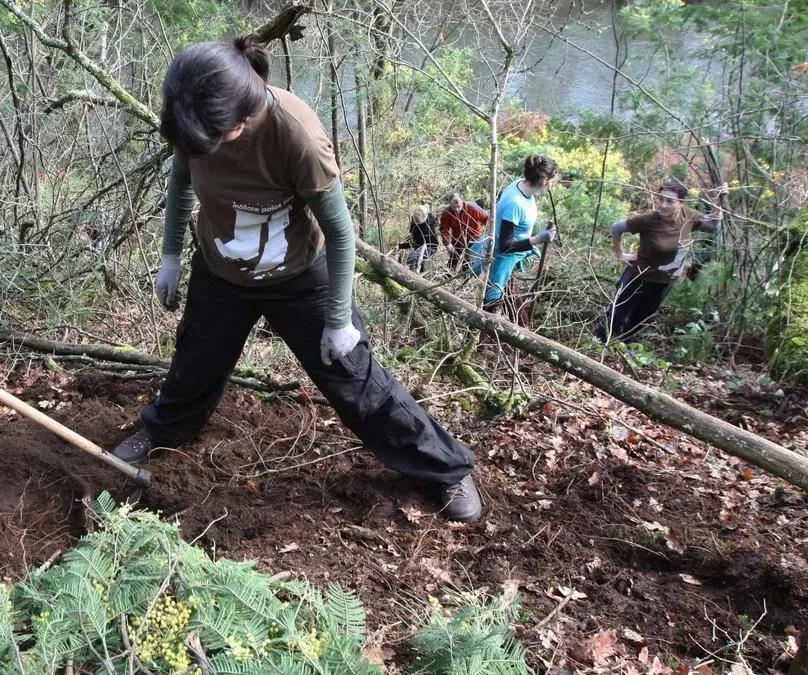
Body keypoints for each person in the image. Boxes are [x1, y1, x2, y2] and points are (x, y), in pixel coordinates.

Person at [109, 37, 481, 522]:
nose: (207, 149)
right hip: (221, 271)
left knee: (354, 380)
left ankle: (446, 469)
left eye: (219, 139)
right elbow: (181, 180)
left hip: (301, 276)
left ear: (241, 121)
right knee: (194, 363)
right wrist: (172, 255)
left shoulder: (296, 135)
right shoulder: (195, 119)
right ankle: (165, 431)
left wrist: (337, 320)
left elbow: (342, 234)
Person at [594, 179, 725, 343]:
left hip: (665, 281)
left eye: (670, 201)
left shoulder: (689, 216)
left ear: (681, 203)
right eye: (661, 199)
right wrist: (620, 254)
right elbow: (617, 228)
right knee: (616, 316)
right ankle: (597, 345)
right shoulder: (649, 220)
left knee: (640, 319)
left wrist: (720, 199)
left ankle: (624, 347)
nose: (663, 205)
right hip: (639, 277)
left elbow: (713, 227)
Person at [481, 155, 558, 319]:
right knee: (492, 304)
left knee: (513, 302)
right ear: (544, 180)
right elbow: (505, 245)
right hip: (502, 260)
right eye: (552, 180)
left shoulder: (519, 184)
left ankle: (517, 330)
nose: (552, 185)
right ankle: (483, 339)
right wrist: (538, 239)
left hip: (511, 260)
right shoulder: (516, 203)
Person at [439, 192, 489, 273]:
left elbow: (486, 218)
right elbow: (444, 229)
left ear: (462, 202)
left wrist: (487, 233)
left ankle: (462, 276)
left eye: (458, 206)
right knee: (453, 257)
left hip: (474, 236)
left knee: (468, 258)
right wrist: (447, 243)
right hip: (457, 237)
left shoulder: (473, 208)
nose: (456, 209)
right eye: (453, 207)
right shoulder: (447, 212)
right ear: (449, 204)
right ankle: (448, 275)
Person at [396, 204, 440, 271]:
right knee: (412, 257)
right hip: (419, 243)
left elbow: (416, 243)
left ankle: (416, 273)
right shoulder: (417, 217)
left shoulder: (427, 229)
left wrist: (400, 246)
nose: (416, 221)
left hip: (430, 247)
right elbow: (412, 229)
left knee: (412, 258)